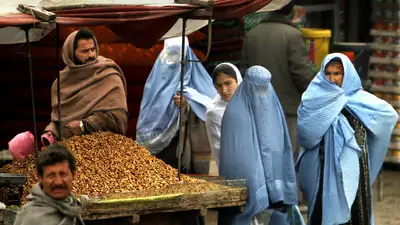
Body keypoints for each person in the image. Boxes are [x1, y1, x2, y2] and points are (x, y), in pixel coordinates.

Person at [296, 53, 398, 225]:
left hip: (355, 169)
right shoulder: (313, 98)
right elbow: (307, 135)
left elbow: (388, 115)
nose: (332, 78)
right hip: (323, 169)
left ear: (346, 74)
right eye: (327, 73)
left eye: (337, 73)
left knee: (355, 213)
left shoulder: (358, 99)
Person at [219, 66, 303, 225]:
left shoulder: (273, 107)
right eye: (257, 88)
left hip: (273, 195)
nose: (261, 94)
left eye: (264, 88)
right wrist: (261, 187)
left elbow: (279, 149)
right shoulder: (235, 113)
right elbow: (242, 159)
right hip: (249, 187)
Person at [240, 0, 313, 159]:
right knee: (287, 161)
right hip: (287, 110)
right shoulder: (292, 35)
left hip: (258, 108)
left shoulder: (252, 34)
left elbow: (244, 71)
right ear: (290, 11)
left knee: (262, 159)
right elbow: (301, 73)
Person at [136, 36, 216, 174]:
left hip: (185, 145)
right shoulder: (155, 82)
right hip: (160, 151)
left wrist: (188, 105)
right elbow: (147, 113)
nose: (174, 60)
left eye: (178, 54)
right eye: (171, 54)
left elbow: (213, 108)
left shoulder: (199, 81)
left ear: (187, 56)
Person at [41, 28, 128, 146]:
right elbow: (59, 120)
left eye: (93, 49)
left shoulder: (108, 74)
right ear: (71, 53)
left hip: (106, 148)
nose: (91, 55)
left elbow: (119, 118)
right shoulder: (60, 83)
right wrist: (51, 131)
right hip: (70, 151)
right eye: (85, 51)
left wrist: (85, 125)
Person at [14, 144, 84, 225]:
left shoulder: (73, 206)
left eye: (63, 174)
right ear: (40, 178)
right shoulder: (30, 218)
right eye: (51, 175)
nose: (58, 182)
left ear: (74, 175)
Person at [205, 63, 242, 172]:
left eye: (228, 83)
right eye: (219, 86)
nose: (224, 90)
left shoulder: (250, 101)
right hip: (234, 167)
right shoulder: (214, 112)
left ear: (238, 81)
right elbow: (219, 148)